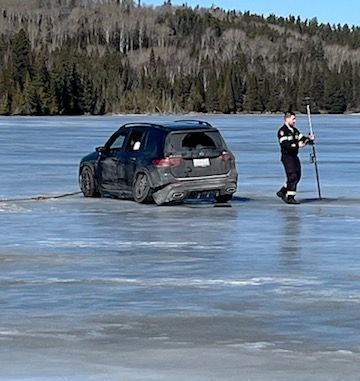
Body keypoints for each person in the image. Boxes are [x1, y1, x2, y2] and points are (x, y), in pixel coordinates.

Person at [277, 111, 315, 204]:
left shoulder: (295, 130)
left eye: (295, 119)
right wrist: (297, 145)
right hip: (287, 156)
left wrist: (308, 139)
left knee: (297, 175)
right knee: (292, 176)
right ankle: (290, 197)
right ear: (287, 119)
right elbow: (285, 145)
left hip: (294, 156)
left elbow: (302, 138)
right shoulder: (282, 131)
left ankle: (282, 191)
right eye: (293, 119)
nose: (295, 121)